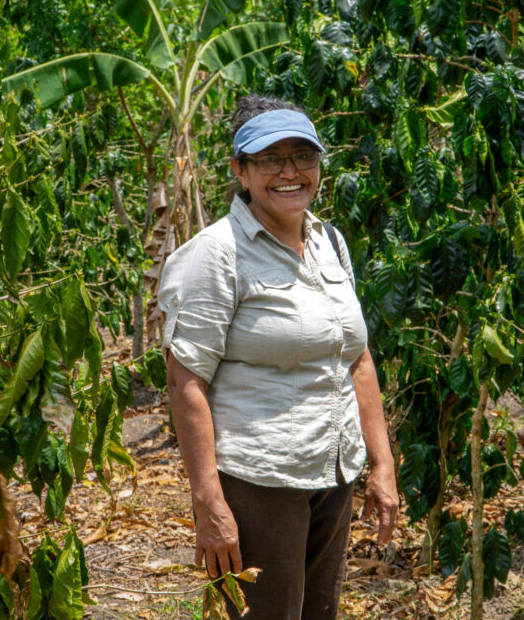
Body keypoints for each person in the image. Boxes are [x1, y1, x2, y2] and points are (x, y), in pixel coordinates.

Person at [160, 94, 398, 620]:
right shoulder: (215, 254)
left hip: (331, 473)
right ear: (241, 171)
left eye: (303, 157)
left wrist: (381, 464)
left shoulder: (329, 242)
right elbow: (186, 383)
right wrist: (209, 503)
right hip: (259, 482)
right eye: (270, 159)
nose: (290, 172)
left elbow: (356, 358)